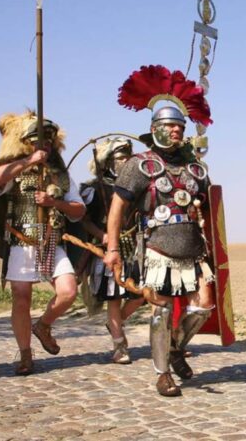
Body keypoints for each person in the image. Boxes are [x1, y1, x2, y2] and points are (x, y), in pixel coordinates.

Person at [106, 65, 216, 397]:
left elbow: (208, 207)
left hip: (192, 247)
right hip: (158, 247)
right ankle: (163, 373)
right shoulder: (139, 165)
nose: (177, 131)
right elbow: (117, 208)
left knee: (204, 305)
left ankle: (176, 348)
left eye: (180, 126)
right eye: (170, 126)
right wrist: (113, 249)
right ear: (155, 128)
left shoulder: (195, 169)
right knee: (161, 310)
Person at [0, 112, 85, 375]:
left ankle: (43, 325)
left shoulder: (60, 175)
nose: (45, 145)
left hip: (52, 241)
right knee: (21, 299)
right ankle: (25, 354)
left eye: (49, 141)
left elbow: (78, 210)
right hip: (21, 242)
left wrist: (55, 203)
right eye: (39, 141)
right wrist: (29, 161)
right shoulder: (14, 170)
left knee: (68, 291)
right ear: (26, 143)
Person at [78, 137, 144, 364]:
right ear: (108, 162)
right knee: (114, 297)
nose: (125, 162)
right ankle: (119, 345)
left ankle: (116, 323)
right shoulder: (94, 189)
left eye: (128, 158)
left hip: (134, 248)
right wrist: (102, 235)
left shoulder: (137, 186)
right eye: (121, 158)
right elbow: (84, 220)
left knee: (142, 293)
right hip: (108, 249)